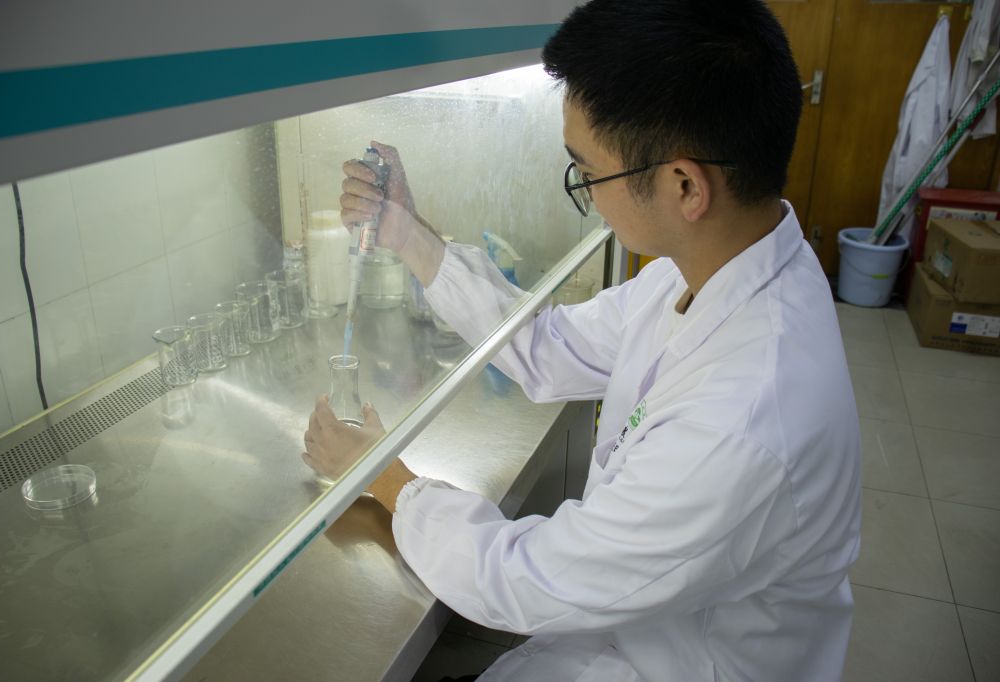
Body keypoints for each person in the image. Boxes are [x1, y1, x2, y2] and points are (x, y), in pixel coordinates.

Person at [302, 1, 862, 679]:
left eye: (590, 172)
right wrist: (406, 233)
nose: (589, 194)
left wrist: (385, 476)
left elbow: (528, 581)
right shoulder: (713, 267)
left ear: (686, 185)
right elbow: (547, 347)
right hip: (627, 641)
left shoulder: (745, 418)